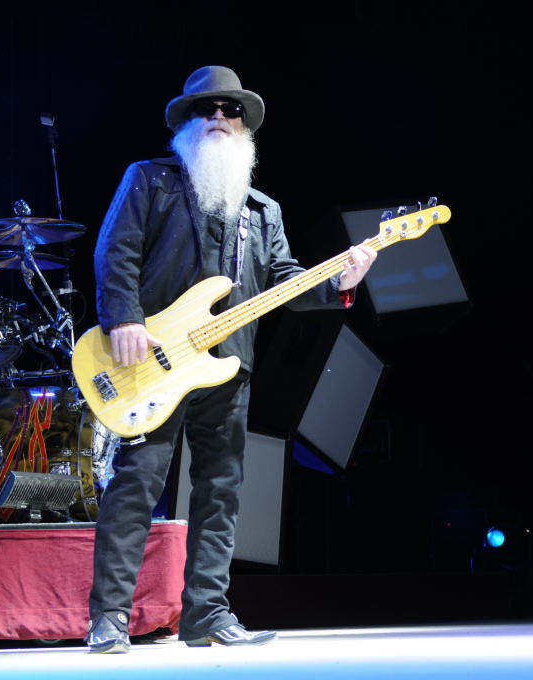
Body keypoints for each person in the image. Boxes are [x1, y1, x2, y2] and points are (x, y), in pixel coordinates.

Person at [85, 65, 377, 653]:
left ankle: (207, 615)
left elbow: (286, 281)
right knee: (136, 484)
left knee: (220, 492)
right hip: (153, 360)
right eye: (207, 108)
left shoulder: (262, 210)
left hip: (228, 365)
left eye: (231, 110)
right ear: (186, 122)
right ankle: (110, 617)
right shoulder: (150, 180)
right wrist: (124, 319)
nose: (220, 117)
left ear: (245, 126)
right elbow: (117, 251)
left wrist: (339, 283)